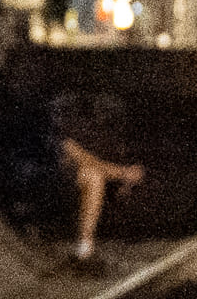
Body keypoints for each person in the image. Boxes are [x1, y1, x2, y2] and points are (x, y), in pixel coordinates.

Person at [48, 85, 147, 268]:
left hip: (95, 180)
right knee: (93, 176)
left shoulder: (102, 135)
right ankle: (84, 248)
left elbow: (125, 162)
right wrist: (123, 173)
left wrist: (129, 175)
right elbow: (86, 161)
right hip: (55, 183)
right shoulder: (58, 136)